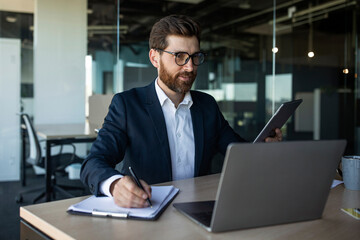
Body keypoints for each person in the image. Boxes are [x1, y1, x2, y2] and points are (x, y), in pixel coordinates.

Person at [80, 15, 282, 208]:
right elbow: (93, 162)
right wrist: (115, 185)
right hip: (150, 211)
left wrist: (264, 147)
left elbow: (238, 152)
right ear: (154, 57)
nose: (190, 67)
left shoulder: (207, 105)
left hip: (199, 210)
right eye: (180, 57)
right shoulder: (127, 104)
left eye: (195, 57)